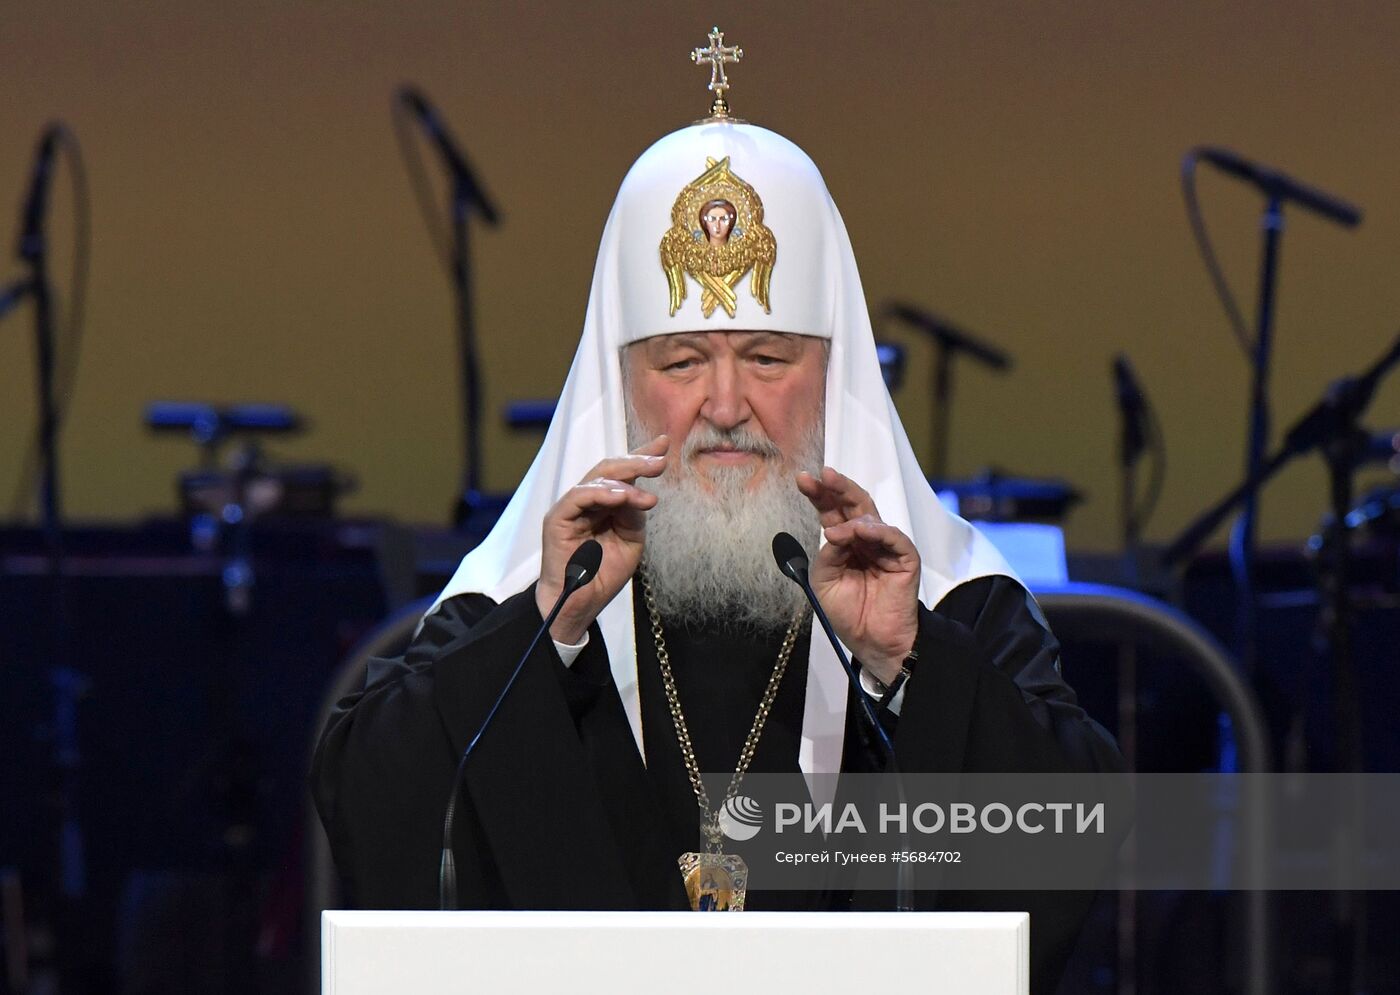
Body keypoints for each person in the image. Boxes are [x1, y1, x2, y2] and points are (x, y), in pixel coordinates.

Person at [312, 101, 1120, 992]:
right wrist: (550, 631)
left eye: (768, 359)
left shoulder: (943, 596)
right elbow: (368, 806)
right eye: (682, 362)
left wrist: (907, 664)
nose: (727, 406)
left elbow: (1076, 831)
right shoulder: (533, 595)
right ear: (624, 381)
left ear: (833, 372)